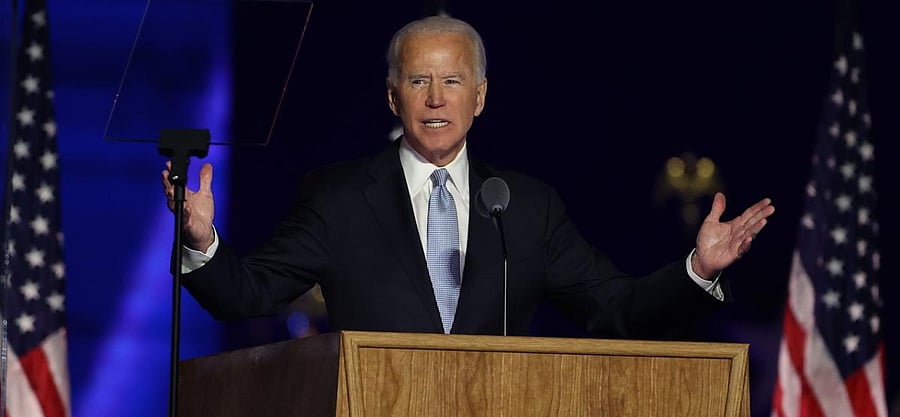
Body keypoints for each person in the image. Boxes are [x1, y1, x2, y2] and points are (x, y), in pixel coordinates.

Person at [161, 15, 774, 338]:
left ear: (478, 97)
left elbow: (617, 308)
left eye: (452, 81)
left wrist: (697, 273)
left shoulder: (527, 207)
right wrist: (199, 243)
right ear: (392, 97)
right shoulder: (340, 197)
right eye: (418, 81)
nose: (435, 98)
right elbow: (246, 295)